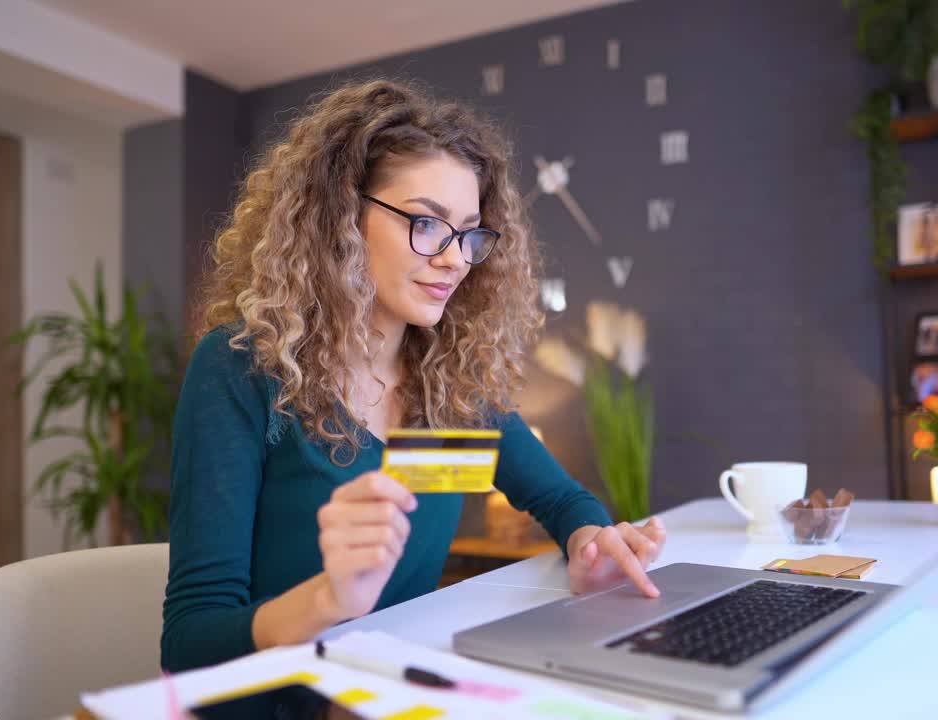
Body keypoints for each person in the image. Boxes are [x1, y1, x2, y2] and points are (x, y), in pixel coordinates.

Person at [161, 79, 668, 672]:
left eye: (468, 233)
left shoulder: (451, 383)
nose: (455, 258)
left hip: (396, 693)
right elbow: (190, 641)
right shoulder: (242, 367)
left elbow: (559, 498)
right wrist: (329, 599)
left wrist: (590, 543)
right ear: (340, 218)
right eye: (426, 224)